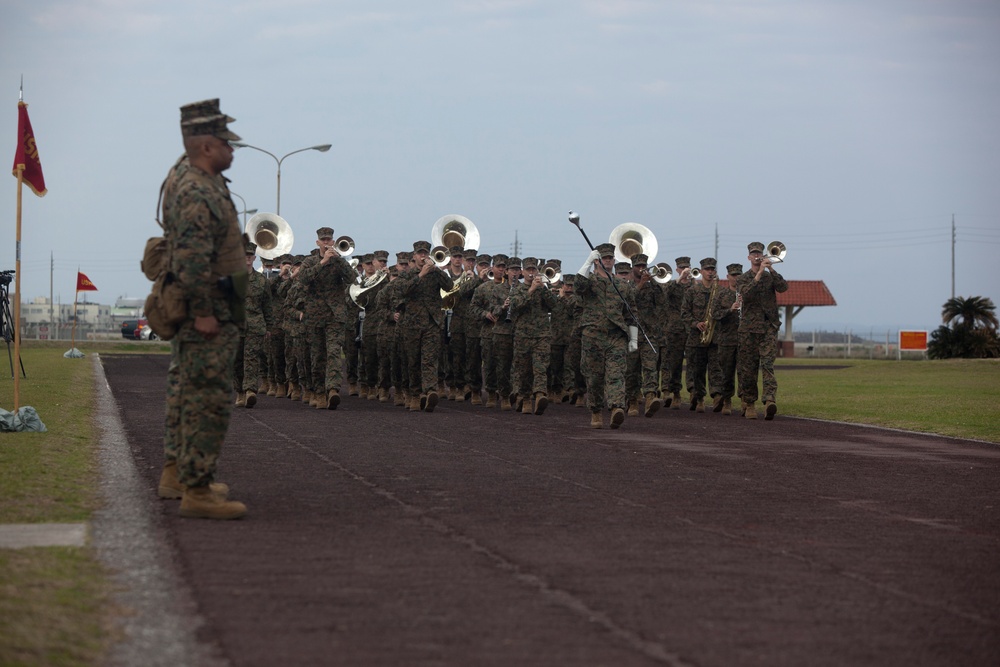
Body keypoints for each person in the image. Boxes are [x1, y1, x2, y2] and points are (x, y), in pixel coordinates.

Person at [158, 98, 247, 520]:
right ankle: (198, 490)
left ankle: (179, 472)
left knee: (186, 393)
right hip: (206, 312)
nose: (233, 150)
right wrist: (205, 312)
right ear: (208, 146)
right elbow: (194, 259)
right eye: (227, 143)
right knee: (207, 400)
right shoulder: (196, 189)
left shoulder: (191, 174)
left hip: (203, 307)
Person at [575, 243, 637, 429]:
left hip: (616, 335)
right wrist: (587, 262)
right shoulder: (590, 282)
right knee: (594, 377)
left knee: (616, 374)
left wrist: (633, 338)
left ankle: (617, 407)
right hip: (593, 335)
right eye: (604, 258)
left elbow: (631, 314)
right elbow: (578, 285)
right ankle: (595, 411)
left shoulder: (622, 286)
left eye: (610, 258)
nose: (608, 260)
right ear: (597, 260)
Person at [737, 242, 788, 420]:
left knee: (767, 365)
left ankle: (769, 401)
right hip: (749, 330)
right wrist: (759, 274)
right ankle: (750, 404)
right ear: (749, 257)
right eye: (754, 254)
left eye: (760, 253)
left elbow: (783, 287)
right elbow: (745, 295)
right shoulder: (743, 278)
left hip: (768, 328)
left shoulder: (770, 277)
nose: (757, 256)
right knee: (749, 369)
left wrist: (771, 270)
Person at [509, 257, 557, 415]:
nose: (531, 273)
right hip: (522, 336)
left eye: (533, 270)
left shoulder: (543, 289)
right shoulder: (517, 289)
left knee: (540, 367)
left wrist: (542, 288)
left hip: (541, 335)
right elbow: (515, 306)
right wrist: (531, 290)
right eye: (528, 270)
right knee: (523, 371)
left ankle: (540, 395)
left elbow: (555, 305)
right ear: (523, 272)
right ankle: (525, 398)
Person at [233, 242, 273, 408]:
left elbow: (267, 306)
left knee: (252, 359)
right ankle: (240, 392)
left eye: (250, 256)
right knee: (237, 361)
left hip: (255, 326)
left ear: (254, 258)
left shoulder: (262, 281)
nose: (247, 260)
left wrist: (269, 327)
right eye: (244, 256)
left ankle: (250, 390)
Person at [681, 257, 723, 413]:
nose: (710, 272)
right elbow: (684, 313)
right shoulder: (692, 291)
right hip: (696, 338)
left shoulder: (720, 291)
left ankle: (717, 395)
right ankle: (699, 398)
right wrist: (695, 323)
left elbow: (724, 311)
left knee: (715, 369)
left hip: (715, 337)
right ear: (701, 271)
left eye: (712, 269)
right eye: (707, 269)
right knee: (697, 370)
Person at [713, 263, 743, 415]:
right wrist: (730, 310)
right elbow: (715, 314)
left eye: (739, 275)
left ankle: (745, 402)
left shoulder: (746, 293)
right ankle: (727, 400)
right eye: (733, 275)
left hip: (744, 340)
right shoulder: (722, 295)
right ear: (728, 277)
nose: (736, 278)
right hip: (726, 340)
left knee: (744, 373)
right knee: (726, 373)